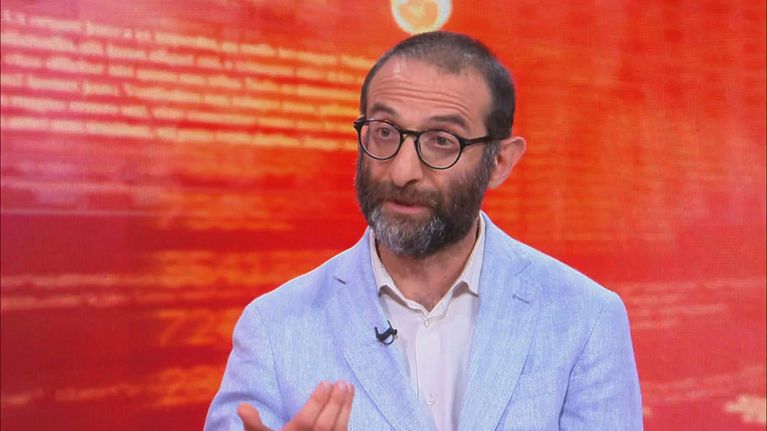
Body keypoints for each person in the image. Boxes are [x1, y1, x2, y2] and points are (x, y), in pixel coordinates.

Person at [204, 31, 643, 431]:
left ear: (500, 162)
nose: (402, 171)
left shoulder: (585, 318)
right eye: (384, 132)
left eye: (441, 141)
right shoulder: (274, 327)